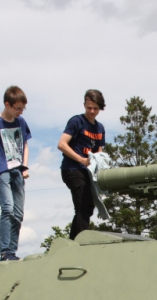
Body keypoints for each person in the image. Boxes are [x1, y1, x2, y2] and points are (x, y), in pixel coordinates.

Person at [0, 85, 31, 261]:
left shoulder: (21, 123)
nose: (20, 112)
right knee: (8, 209)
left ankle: (12, 251)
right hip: (2, 171)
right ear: (7, 104)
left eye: (23, 109)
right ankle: (4, 252)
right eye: (18, 108)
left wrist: (25, 166)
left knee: (18, 213)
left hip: (18, 171)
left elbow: (25, 145)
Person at [58, 89, 106, 240]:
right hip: (72, 169)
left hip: (87, 172)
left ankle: (73, 242)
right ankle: (78, 244)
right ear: (84, 105)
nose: (92, 111)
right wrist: (82, 160)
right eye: (89, 107)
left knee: (85, 208)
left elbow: (99, 153)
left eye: (95, 108)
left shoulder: (100, 128)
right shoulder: (77, 121)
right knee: (84, 206)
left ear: (100, 108)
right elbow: (62, 144)